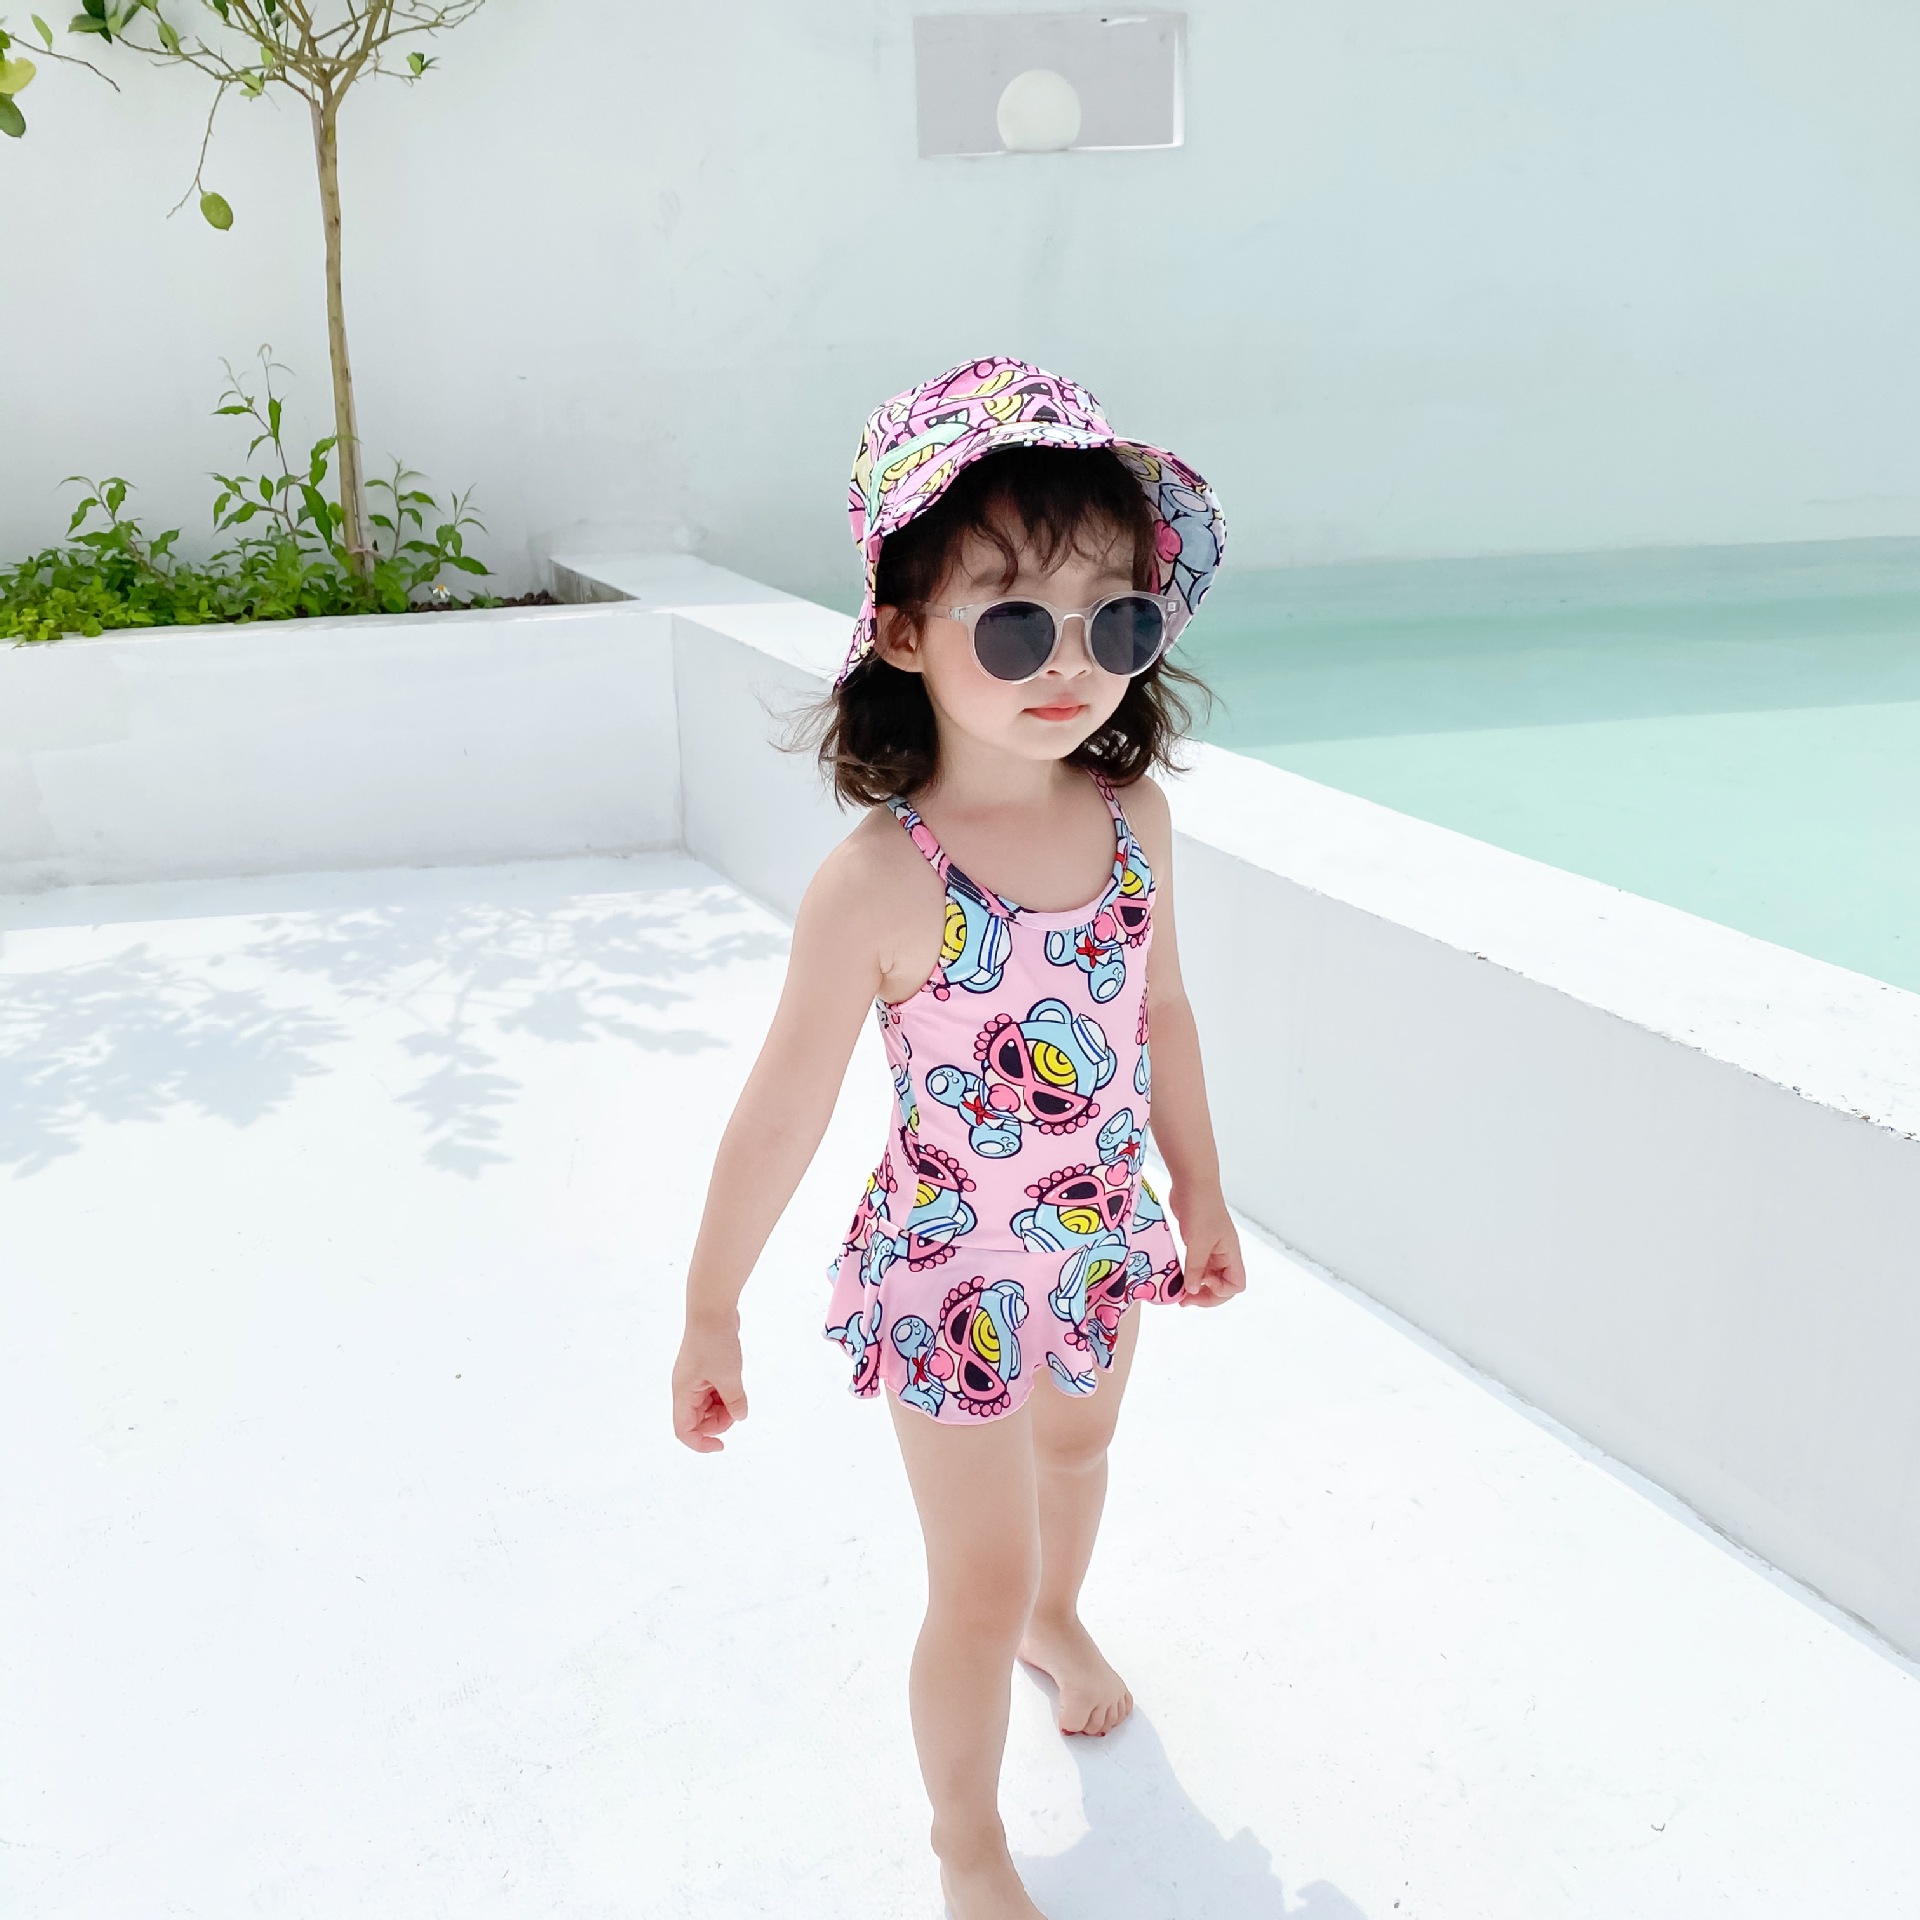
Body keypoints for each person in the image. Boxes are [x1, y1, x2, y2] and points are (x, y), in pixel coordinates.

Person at [670, 357, 1248, 1920]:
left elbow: (1162, 1012)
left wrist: (1199, 1188)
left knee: (1082, 1451)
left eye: (1114, 620)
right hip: (953, 1273)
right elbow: (783, 1105)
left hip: (1096, 1237)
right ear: (906, 633)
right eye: (1012, 622)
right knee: (973, 1584)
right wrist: (712, 1305)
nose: (1070, 662)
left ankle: (1064, 1617)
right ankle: (968, 1842)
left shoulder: (1134, 822)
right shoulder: (884, 880)